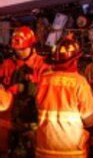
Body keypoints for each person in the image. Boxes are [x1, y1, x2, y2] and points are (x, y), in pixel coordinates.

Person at [35, 34, 93, 157]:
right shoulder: (79, 83)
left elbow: (38, 107)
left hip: (44, 148)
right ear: (75, 60)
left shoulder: (43, 80)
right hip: (71, 150)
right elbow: (90, 120)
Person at [9, 26, 50, 156]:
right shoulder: (13, 65)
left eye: (22, 49)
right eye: (17, 50)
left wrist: (24, 88)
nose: (19, 52)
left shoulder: (42, 65)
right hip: (15, 120)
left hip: (33, 121)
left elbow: (46, 91)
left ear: (32, 46)